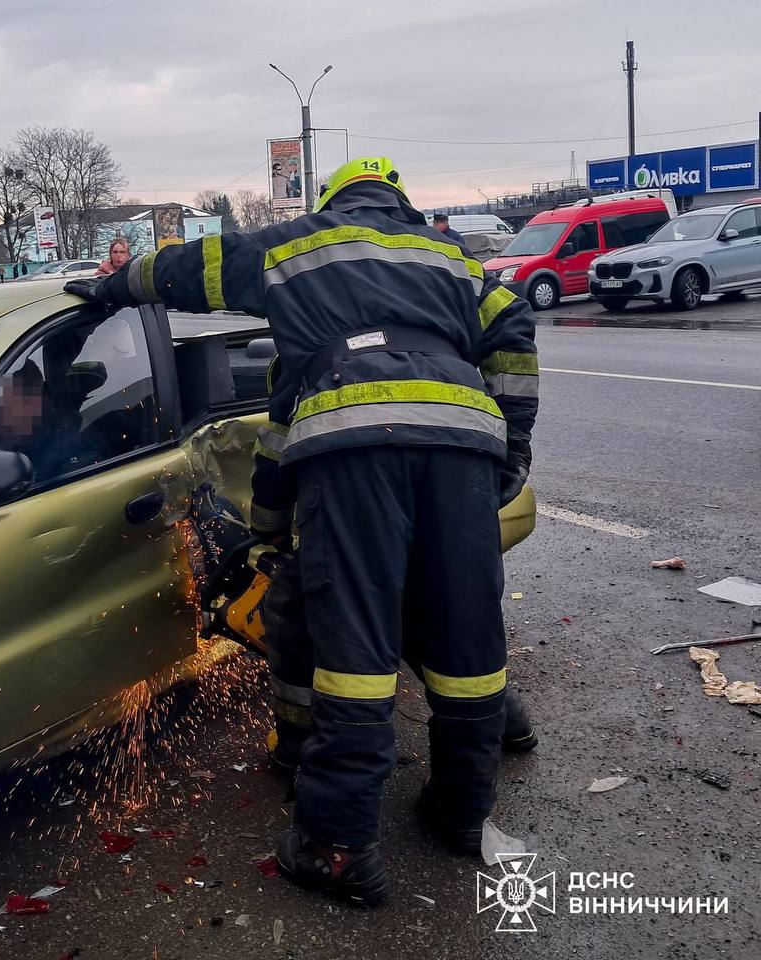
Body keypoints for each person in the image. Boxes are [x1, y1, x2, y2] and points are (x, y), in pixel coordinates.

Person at [66, 156, 538, 907]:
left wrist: (114, 284)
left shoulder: (301, 249)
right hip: (461, 449)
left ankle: (337, 848)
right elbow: (513, 333)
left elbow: (191, 269)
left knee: (354, 651)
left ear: (334, 199)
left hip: (355, 455)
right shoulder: (453, 259)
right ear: (398, 202)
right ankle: (460, 813)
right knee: (467, 641)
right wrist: (508, 453)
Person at [249, 355, 538, 773]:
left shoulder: (310, 350)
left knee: (299, 612)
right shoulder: (440, 345)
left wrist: (268, 526)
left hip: (360, 503)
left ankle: (302, 748)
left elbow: (275, 452)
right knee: (450, 629)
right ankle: (505, 729)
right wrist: (513, 452)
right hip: (454, 480)